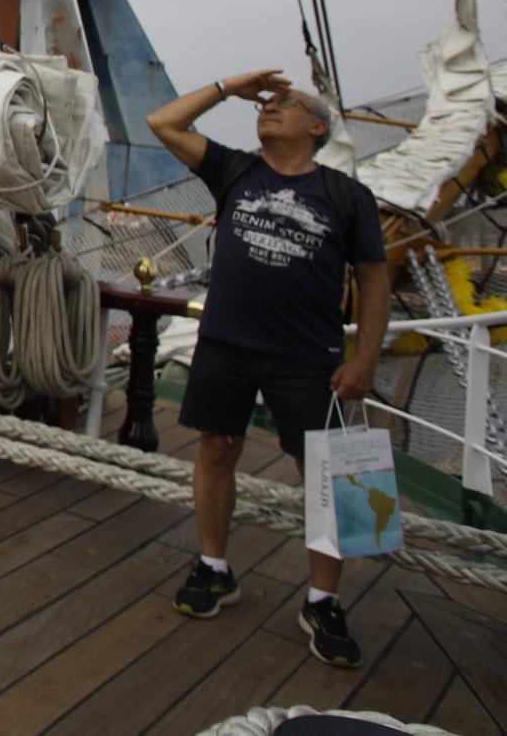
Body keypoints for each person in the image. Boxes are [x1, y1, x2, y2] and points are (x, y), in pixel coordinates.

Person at [147, 69, 390, 669]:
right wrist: (232, 86)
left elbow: (373, 280)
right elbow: (164, 123)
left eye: (285, 105)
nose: (269, 109)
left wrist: (364, 359)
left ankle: (323, 600)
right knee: (215, 451)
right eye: (266, 105)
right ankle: (213, 567)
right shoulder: (236, 171)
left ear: (316, 127)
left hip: (308, 358)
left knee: (327, 477)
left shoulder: (343, 194)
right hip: (227, 343)